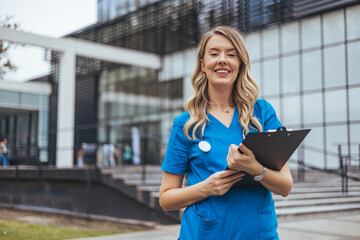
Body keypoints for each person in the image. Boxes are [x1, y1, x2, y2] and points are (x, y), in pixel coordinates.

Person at [159, 26, 293, 240]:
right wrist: (207, 187)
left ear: (240, 64)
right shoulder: (185, 125)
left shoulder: (262, 113)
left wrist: (255, 169)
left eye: (231, 54)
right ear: (203, 65)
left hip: (258, 234)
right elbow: (166, 199)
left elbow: (285, 186)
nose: (222, 60)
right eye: (214, 53)